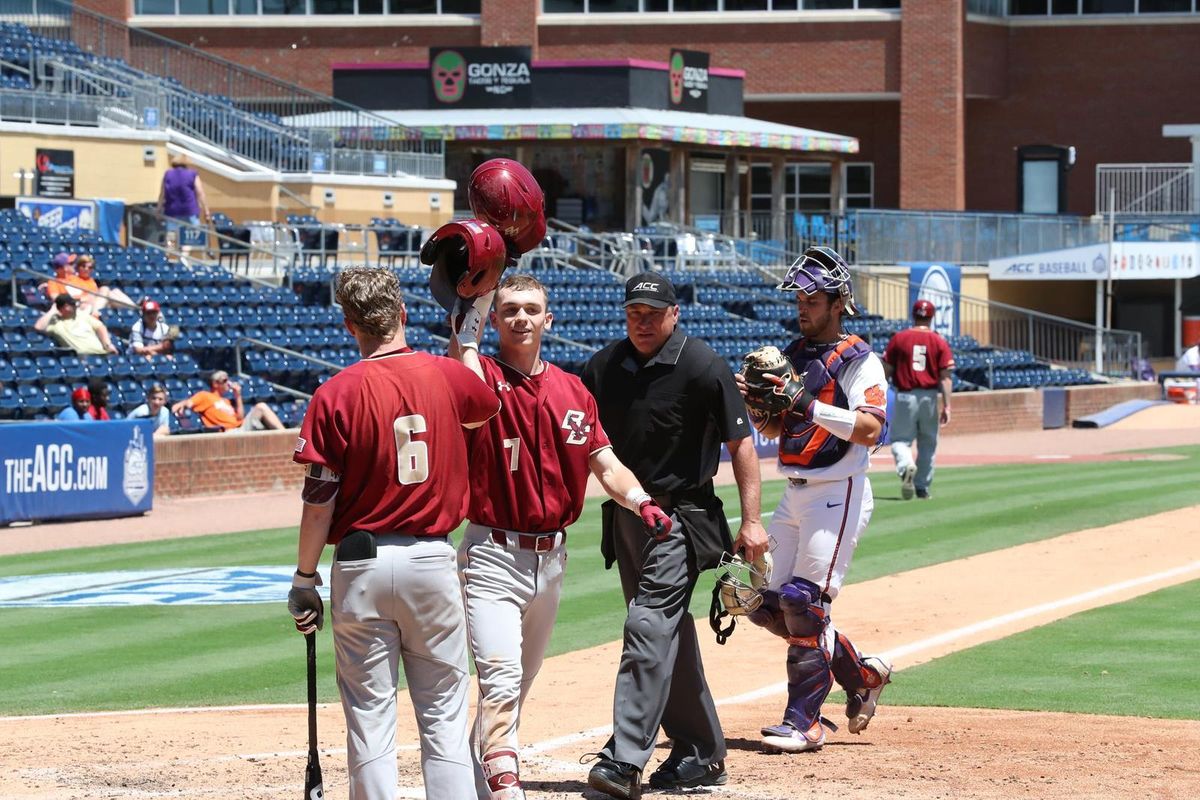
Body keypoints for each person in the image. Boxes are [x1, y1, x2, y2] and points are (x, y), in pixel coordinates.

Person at [446, 274, 671, 800]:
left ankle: (470, 779)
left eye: (531, 309)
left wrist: (641, 501)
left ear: (549, 319)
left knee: (516, 686)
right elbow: (464, 370)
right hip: (492, 554)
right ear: (495, 321)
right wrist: (470, 320)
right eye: (510, 310)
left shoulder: (573, 390)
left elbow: (603, 461)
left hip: (551, 560)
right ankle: (506, 788)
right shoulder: (481, 380)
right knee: (500, 678)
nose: (521, 318)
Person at [286, 267, 501, 800]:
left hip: (359, 565)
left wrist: (304, 577)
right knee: (445, 715)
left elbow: (319, 503)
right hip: (430, 560)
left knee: (369, 716)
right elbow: (484, 404)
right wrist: (466, 334)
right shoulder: (447, 377)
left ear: (348, 325)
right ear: (403, 314)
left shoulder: (334, 393)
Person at [580, 271, 768, 799]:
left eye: (653, 313)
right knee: (668, 634)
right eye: (634, 312)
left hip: (683, 518)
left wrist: (752, 521)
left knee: (647, 624)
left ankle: (624, 758)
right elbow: (582, 445)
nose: (642, 322)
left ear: (675, 314)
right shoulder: (603, 366)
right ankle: (701, 754)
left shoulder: (703, 365)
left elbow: (742, 446)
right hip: (626, 518)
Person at [735, 246, 892, 755]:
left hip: (839, 490)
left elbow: (871, 429)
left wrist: (804, 401)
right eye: (799, 298)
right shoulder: (795, 355)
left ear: (837, 301)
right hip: (795, 492)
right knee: (763, 604)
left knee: (805, 602)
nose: (802, 307)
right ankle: (861, 674)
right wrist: (760, 407)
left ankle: (804, 722)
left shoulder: (859, 360)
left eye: (812, 298)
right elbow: (783, 425)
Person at [883, 299, 954, 500]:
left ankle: (906, 466)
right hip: (929, 397)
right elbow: (946, 378)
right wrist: (947, 406)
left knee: (900, 440)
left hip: (905, 395)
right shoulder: (939, 340)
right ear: (931, 317)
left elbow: (885, 370)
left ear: (914, 315)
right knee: (928, 443)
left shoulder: (899, 338)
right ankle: (922, 487)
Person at [171, 370, 284, 432]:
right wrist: (181, 404)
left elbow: (240, 417)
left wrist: (237, 396)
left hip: (240, 428)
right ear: (215, 384)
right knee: (261, 406)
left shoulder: (227, 400)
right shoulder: (205, 396)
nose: (228, 383)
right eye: (224, 380)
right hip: (229, 432)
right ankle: (285, 435)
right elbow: (189, 403)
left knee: (262, 411)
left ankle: (284, 435)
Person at [34, 294, 119, 356]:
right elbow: (38, 327)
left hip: (101, 354)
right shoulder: (55, 323)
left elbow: (100, 327)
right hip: (82, 357)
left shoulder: (81, 315)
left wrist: (108, 344)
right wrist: (53, 310)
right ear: (63, 307)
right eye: (72, 305)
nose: (75, 306)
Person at [158, 153, 210, 240]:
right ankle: (185, 252)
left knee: (172, 237)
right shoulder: (192, 174)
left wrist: (158, 209)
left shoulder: (168, 174)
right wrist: (206, 211)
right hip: (190, 210)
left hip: (172, 211)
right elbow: (200, 192)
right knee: (194, 238)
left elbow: (162, 194)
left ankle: (172, 252)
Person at [67, 254, 136, 316]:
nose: (86, 269)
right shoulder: (73, 279)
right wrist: (89, 296)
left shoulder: (92, 281)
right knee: (104, 289)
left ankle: (135, 308)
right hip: (83, 306)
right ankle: (95, 314)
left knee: (115, 291)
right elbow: (72, 298)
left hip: (96, 304)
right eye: (83, 266)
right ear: (78, 267)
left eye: (90, 267)